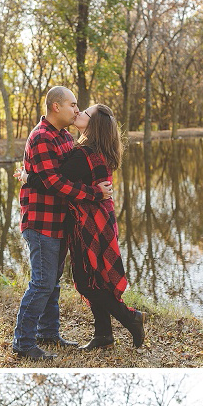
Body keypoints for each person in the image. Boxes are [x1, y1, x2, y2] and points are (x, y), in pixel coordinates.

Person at [12, 85, 113, 361]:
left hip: (59, 221)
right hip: (41, 220)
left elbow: (73, 174)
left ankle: (48, 332)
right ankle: (23, 343)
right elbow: (55, 182)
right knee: (42, 282)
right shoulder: (42, 136)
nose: (76, 109)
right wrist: (95, 193)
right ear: (56, 106)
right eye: (72, 104)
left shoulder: (65, 137)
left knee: (53, 281)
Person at [60, 105, 145, 350]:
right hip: (101, 220)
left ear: (94, 124)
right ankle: (103, 335)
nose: (78, 113)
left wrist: (28, 176)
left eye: (84, 113)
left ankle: (132, 318)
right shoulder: (100, 151)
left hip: (86, 224)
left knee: (87, 281)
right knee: (97, 279)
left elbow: (53, 180)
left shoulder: (83, 154)